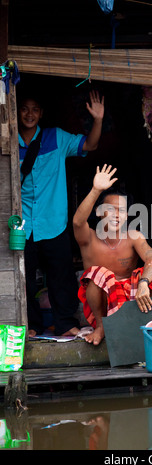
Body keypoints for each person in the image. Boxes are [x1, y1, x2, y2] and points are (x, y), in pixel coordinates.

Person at [18, 90, 105, 337]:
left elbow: (90, 144)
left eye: (35, 109)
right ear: (16, 111)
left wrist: (97, 120)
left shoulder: (55, 137)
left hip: (53, 222)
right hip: (22, 226)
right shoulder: (7, 142)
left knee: (61, 278)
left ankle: (66, 323)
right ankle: (32, 325)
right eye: (24, 108)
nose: (30, 114)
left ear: (42, 113)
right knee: (24, 280)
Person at [73, 164, 152, 346]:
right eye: (110, 209)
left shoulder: (133, 236)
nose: (116, 215)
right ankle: (101, 327)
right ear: (99, 212)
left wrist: (144, 283)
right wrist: (96, 189)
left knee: (148, 277)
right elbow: (77, 221)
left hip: (133, 302)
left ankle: (147, 327)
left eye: (121, 210)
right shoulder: (89, 238)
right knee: (97, 274)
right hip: (102, 305)